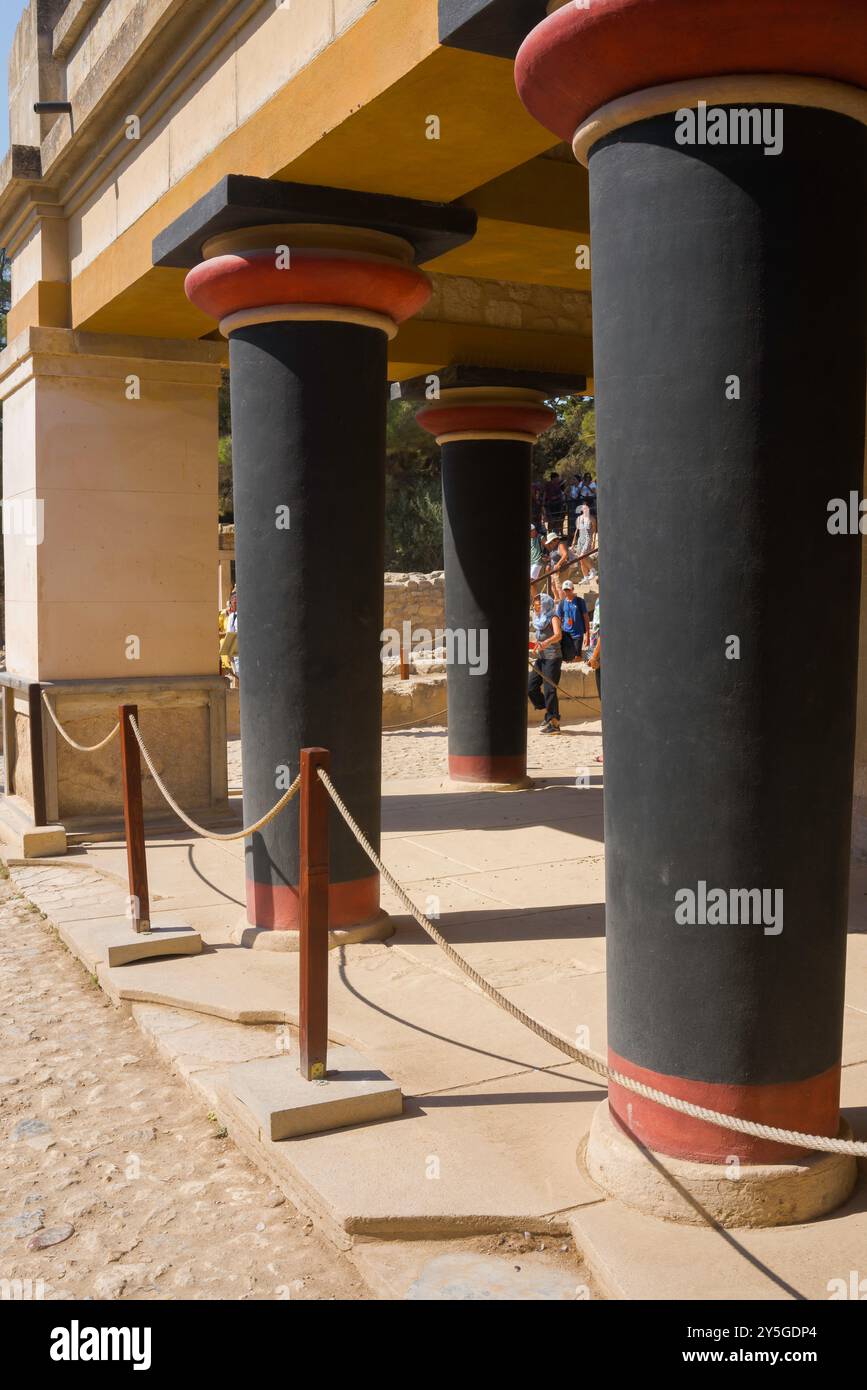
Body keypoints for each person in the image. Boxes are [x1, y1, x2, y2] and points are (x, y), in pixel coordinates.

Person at [528, 592, 563, 734]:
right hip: (542, 658)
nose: (536, 607)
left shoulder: (553, 617)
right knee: (530, 687)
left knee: (550, 690)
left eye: (538, 605)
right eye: (535, 605)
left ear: (545, 604)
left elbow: (558, 635)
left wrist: (546, 642)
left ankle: (554, 724)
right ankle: (548, 713)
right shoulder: (539, 619)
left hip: (553, 658)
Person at [556, 578, 589, 661]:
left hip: (577, 634)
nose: (567, 592)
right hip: (566, 633)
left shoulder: (580, 601)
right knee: (566, 658)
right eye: (565, 590)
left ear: (573, 589)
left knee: (577, 657)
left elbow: (586, 618)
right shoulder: (562, 603)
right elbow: (559, 618)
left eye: (568, 590)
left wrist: (587, 635)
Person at [572, 502, 597, 582]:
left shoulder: (591, 518)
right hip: (580, 539)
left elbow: (594, 530)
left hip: (587, 538)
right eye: (583, 508)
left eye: (586, 508)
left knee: (582, 556)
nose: (585, 509)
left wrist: (593, 541)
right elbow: (576, 531)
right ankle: (586, 577)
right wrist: (573, 542)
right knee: (581, 559)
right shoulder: (579, 518)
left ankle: (593, 570)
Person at [545, 531, 572, 598]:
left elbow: (565, 554)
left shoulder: (560, 545)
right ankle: (557, 600)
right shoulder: (554, 547)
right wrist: (549, 564)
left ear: (555, 540)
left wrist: (558, 564)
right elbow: (553, 558)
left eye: (551, 542)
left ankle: (562, 603)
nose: (550, 544)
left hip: (561, 570)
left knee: (560, 587)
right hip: (554, 570)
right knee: (553, 586)